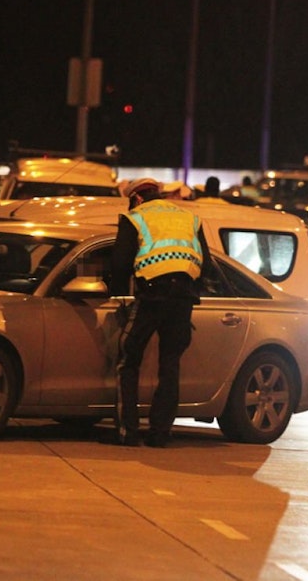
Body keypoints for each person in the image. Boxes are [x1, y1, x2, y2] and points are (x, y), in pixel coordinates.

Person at [108, 178, 211, 447]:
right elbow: (206, 263)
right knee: (170, 365)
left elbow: (119, 264)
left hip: (152, 295)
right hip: (184, 298)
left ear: (137, 198)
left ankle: (127, 432)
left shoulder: (135, 218)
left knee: (127, 359)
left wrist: (118, 293)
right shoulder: (189, 217)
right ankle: (160, 434)